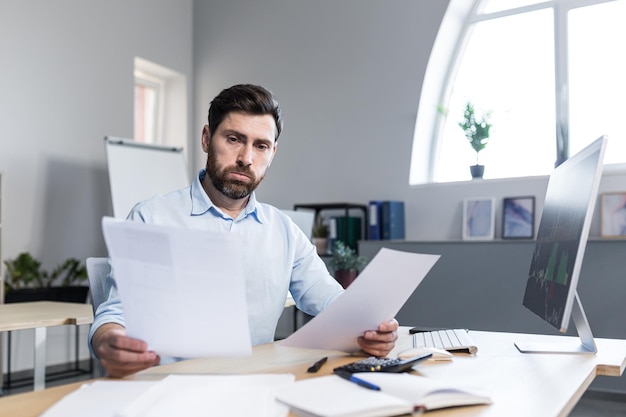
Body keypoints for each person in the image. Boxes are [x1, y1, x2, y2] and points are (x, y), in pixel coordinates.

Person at [89, 84, 398, 378]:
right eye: (234, 139)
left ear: (272, 152)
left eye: (260, 145)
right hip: (171, 390)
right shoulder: (152, 217)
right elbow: (116, 314)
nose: (246, 158)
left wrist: (370, 328)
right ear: (207, 138)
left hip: (253, 389)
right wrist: (110, 341)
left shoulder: (284, 232)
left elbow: (332, 301)